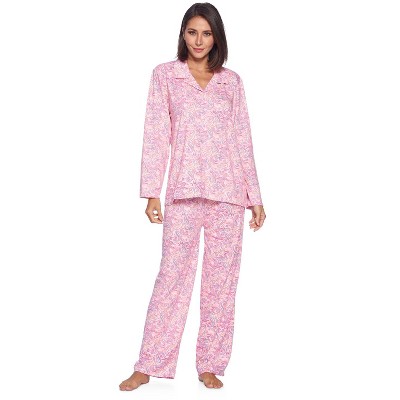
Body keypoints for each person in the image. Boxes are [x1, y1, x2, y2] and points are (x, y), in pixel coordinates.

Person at [119, 2, 266, 391]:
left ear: (216, 37)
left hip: (229, 195)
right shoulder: (166, 76)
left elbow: (242, 139)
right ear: (183, 34)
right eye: (192, 32)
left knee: (221, 283)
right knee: (172, 277)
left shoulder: (231, 82)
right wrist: (151, 192)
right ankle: (149, 364)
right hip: (183, 192)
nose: (199, 40)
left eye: (206, 33)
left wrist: (255, 196)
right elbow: (156, 133)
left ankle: (210, 364)